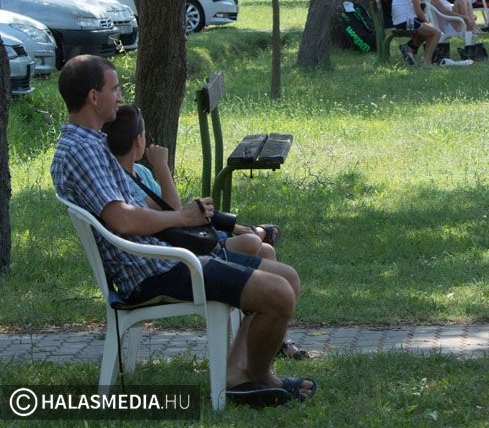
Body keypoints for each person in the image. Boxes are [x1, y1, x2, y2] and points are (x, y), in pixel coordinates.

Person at [51, 55, 316, 407]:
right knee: (279, 293)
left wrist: (184, 214)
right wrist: (182, 219)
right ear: (93, 96)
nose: (120, 96)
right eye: (114, 88)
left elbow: (134, 208)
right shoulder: (81, 151)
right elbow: (122, 220)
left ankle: (240, 376)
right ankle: (257, 377)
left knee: (288, 279)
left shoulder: (92, 144)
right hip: (153, 271)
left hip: (165, 259)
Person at [102, 104, 309, 361]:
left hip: (179, 253)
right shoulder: (124, 182)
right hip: (177, 259)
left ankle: (269, 341)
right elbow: (173, 210)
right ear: (138, 140)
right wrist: (162, 167)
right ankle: (251, 359)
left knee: (266, 254)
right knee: (255, 248)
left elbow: (171, 212)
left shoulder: (137, 174)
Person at [369, 0, 420, 65]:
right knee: (425, 25)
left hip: (399, 19)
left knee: (423, 23)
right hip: (392, 22)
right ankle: (423, 55)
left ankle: (410, 50)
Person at [391, 0, 441, 67]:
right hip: (407, 22)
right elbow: (418, 12)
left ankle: (410, 48)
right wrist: (427, 22)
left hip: (397, 22)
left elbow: (407, 1)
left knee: (428, 31)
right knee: (436, 33)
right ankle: (427, 62)